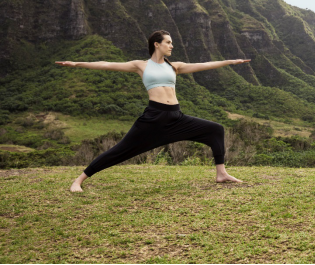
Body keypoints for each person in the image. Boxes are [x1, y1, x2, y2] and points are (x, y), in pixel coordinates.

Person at [55, 30, 250, 192]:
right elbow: (106, 65)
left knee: (216, 129)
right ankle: (78, 180)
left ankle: (221, 173)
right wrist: (76, 63)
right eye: (168, 42)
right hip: (154, 118)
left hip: (176, 116)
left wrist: (230, 62)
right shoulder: (140, 65)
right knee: (121, 150)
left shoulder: (174, 66)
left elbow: (204, 65)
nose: (172, 46)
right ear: (157, 44)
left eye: (171, 43)